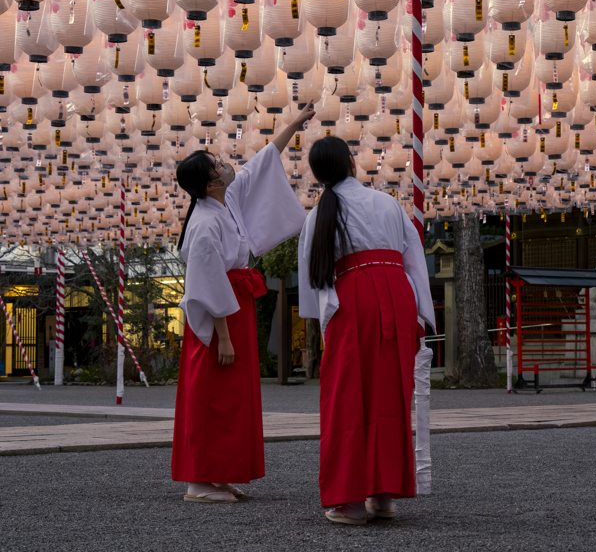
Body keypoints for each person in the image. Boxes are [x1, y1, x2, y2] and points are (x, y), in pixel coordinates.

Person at [171, 102, 315, 503]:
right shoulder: (204, 223)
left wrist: (297, 121)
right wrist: (224, 336)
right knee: (211, 397)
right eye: (217, 164)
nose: (225, 164)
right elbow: (206, 283)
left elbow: (264, 159)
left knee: (230, 398)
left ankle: (218, 474)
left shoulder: (222, 200)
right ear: (210, 182)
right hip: (220, 316)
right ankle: (199, 480)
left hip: (234, 305)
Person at [298, 136, 434, 525]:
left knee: (348, 397)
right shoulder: (388, 202)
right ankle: (384, 495)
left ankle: (351, 501)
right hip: (396, 293)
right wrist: (421, 312)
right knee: (392, 394)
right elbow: (413, 256)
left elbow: (313, 283)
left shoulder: (319, 215)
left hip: (352, 297)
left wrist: (323, 324)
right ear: (351, 163)